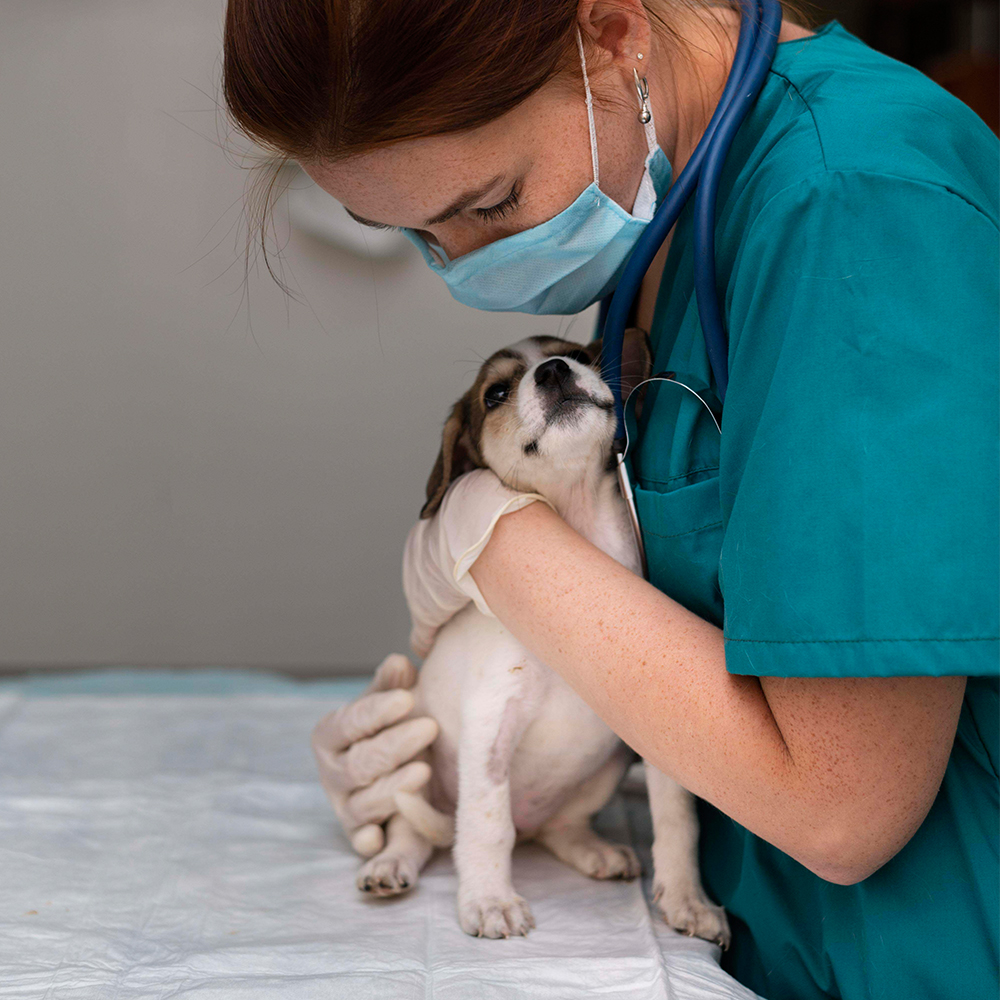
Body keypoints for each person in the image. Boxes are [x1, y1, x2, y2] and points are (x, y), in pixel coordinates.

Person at [222, 1, 999, 997]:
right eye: (412, 233)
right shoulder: (670, 206)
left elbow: (842, 809)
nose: (462, 264)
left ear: (613, 33)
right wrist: (465, 749)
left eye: (489, 205)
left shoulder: (853, 206)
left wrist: (498, 539)